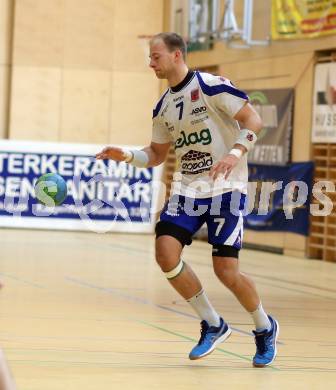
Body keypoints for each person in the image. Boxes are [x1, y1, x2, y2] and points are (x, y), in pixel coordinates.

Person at [96, 32, 279, 367]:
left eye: (156, 57)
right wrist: (123, 154)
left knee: (227, 271)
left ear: (177, 55)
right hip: (188, 191)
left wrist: (235, 152)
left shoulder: (211, 86)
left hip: (227, 189)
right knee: (165, 252)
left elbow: (254, 120)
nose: (151, 63)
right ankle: (212, 323)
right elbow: (155, 155)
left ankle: (264, 328)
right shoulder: (163, 106)